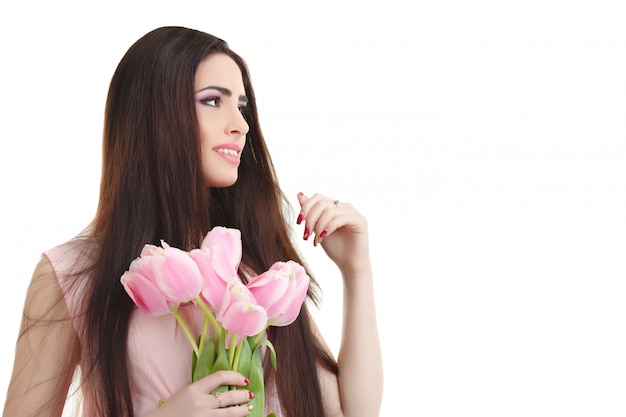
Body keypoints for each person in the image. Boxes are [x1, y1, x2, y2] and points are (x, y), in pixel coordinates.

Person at [2, 26, 383, 417]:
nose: (241, 125)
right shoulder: (74, 275)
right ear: (154, 113)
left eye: (242, 106)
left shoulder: (255, 267)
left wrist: (357, 270)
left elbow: (353, 412)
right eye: (213, 101)